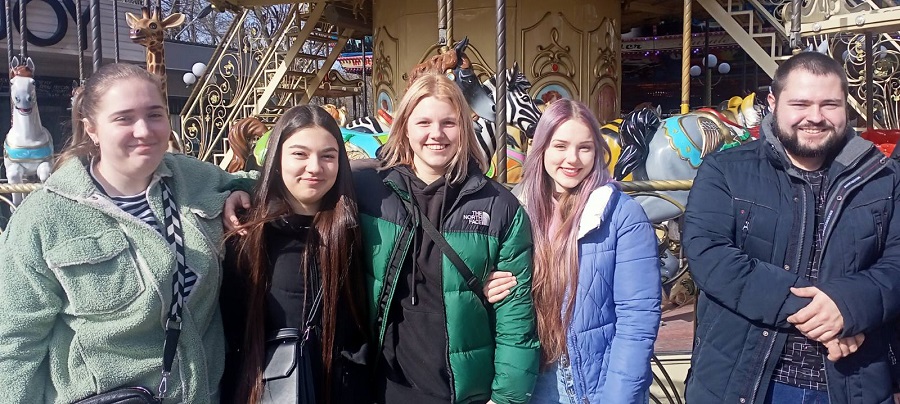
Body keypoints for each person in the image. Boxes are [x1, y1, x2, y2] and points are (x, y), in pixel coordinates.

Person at [0, 63, 252, 403]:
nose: (144, 130)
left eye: (154, 115)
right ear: (92, 129)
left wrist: (239, 191)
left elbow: (263, 182)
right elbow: (15, 343)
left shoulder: (193, 179)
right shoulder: (44, 218)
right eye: (124, 118)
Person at [683, 51, 900, 403]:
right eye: (800, 104)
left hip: (854, 379)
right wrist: (820, 314)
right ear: (773, 103)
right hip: (745, 379)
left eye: (829, 105)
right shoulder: (726, 170)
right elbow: (710, 255)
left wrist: (849, 305)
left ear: (845, 107)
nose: (814, 117)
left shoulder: (884, 177)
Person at [352, 71, 540, 403]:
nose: (436, 134)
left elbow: (516, 319)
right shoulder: (370, 193)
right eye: (423, 122)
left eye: (448, 123)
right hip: (384, 387)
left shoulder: (499, 207)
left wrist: (507, 398)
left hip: (463, 391)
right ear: (405, 127)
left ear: (464, 128)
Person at [485, 99, 661, 403]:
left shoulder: (620, 214)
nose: (573, 159)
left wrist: (618, 398)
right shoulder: (517, 211)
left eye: (585, 148)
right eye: (560, 146)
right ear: (541, 148)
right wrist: (487, 285)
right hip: (530, 378)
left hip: (591, 385)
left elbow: (637, 319)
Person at [219, 105, 370, 403]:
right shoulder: (247, 233)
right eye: (300, 154)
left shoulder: (355, 228)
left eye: (328, 156)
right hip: (270, 390)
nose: (314, 167)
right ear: (277, 158)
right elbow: (230, 329)